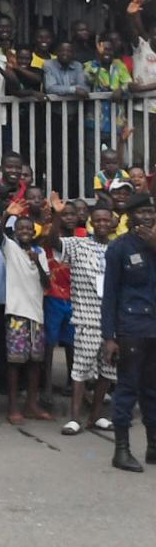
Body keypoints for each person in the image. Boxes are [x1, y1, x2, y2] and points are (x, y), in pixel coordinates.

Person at [101, 192, 156, 471]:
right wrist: (109, 336)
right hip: (130, 328)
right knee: (127, 389)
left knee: (152, 390)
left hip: (153, 329)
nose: (147, 217)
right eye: (142, 212)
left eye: (151, 212)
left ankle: (153, 446)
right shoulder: (119, 248)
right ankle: (121, 451)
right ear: (130, 216)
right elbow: (109, 295)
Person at [55, 200, 116, 436]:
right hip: (86, 318)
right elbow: (53, 243)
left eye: (105, 220)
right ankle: (74, 418)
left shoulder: (117, 248)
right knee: (81, 369)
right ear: (90, 222)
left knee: (108, 371)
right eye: (97, 220)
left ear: (112, 222)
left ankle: (96, 415)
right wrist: (58, 216)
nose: (101, 223)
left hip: (112, 320)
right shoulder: (78, 244)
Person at [0, 199, 51, 425]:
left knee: (34, 362)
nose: (25, 232)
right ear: (16, 232)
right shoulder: (10, 248)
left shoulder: (40, 252)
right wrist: (6, 215)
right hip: (17, 314)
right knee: (15, 362)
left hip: (36, 315)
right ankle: (13, 407)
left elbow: (46, 283)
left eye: (29, 229)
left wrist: (37, 262)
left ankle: (31, 404)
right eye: (21, 229)